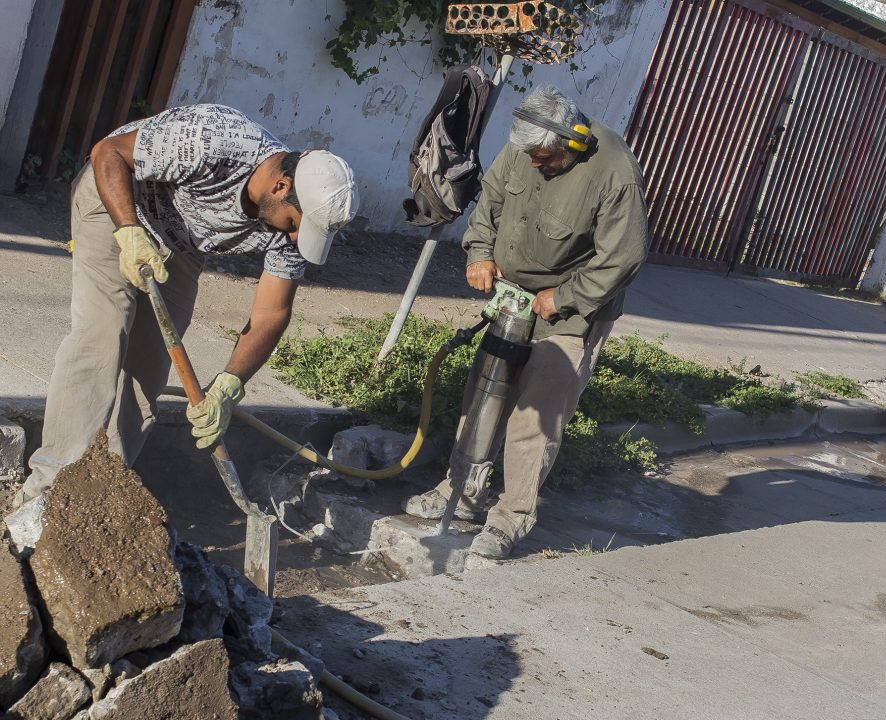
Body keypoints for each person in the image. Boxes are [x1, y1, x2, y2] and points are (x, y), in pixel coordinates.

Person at [15, 104, 358, 506]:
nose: (297, 238)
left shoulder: (292, 232)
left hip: (184, 242)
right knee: (104, 331)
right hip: (119, 202)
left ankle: (103, 490)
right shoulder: (214, 140)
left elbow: (271, 313)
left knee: (150, 364)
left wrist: (231, 384)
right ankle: (49, 490)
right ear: (280, 187)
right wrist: (128, 231)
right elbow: (109, 153)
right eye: (295, 224)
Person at [403, 86, 649, 558]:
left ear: (573, 142)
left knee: (536, 415)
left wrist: (567, 296)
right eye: (528, 154)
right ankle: (462, 491)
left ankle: (510, 519)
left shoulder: (614, 173)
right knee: (484, 396)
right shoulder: (524, 150)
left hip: (571, 310)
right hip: (513, 299)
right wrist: (479, 253)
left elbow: (624, 256)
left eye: (543, 156)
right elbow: (491, 201)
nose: (534, 164)